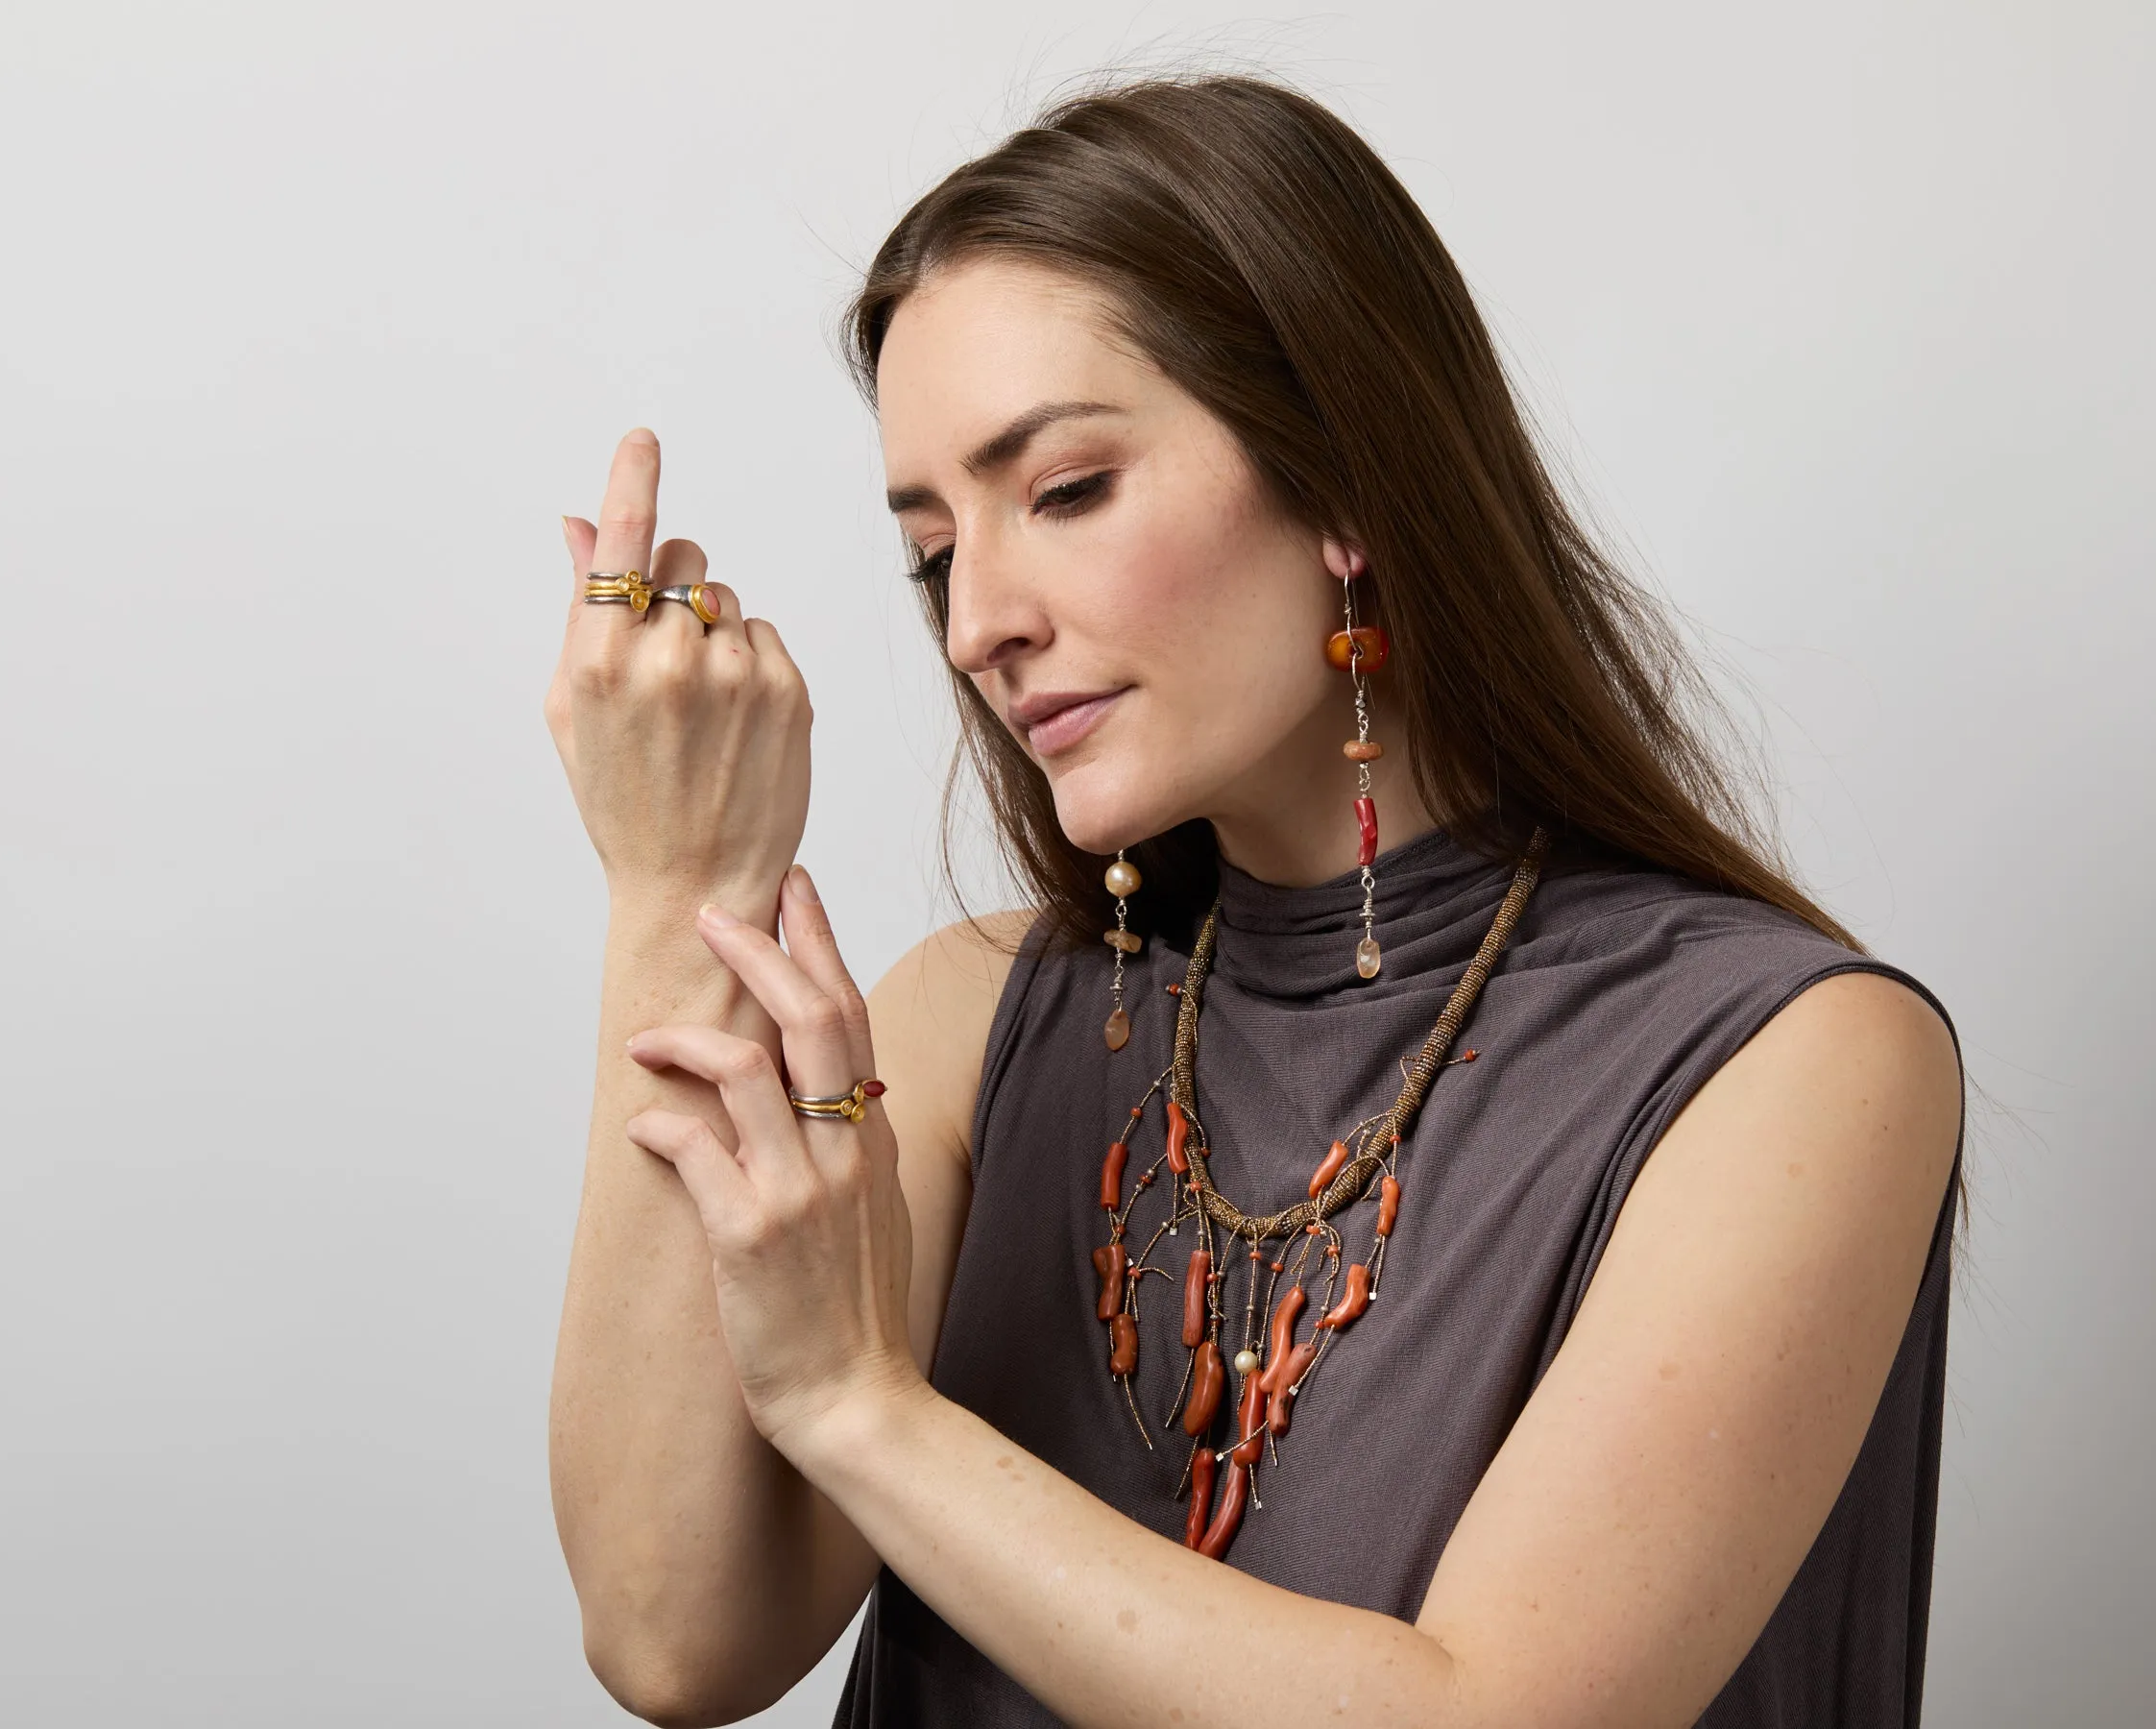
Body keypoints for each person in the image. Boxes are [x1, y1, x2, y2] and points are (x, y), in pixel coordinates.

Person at [543, 74, 1964, 1729]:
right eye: (934, 551)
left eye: (1064, 491)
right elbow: (670, 1637)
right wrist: (675, 892)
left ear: (1349, 483)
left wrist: (859, 1405)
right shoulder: (965, 1021)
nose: (976, 622)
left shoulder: (1792, 1065)